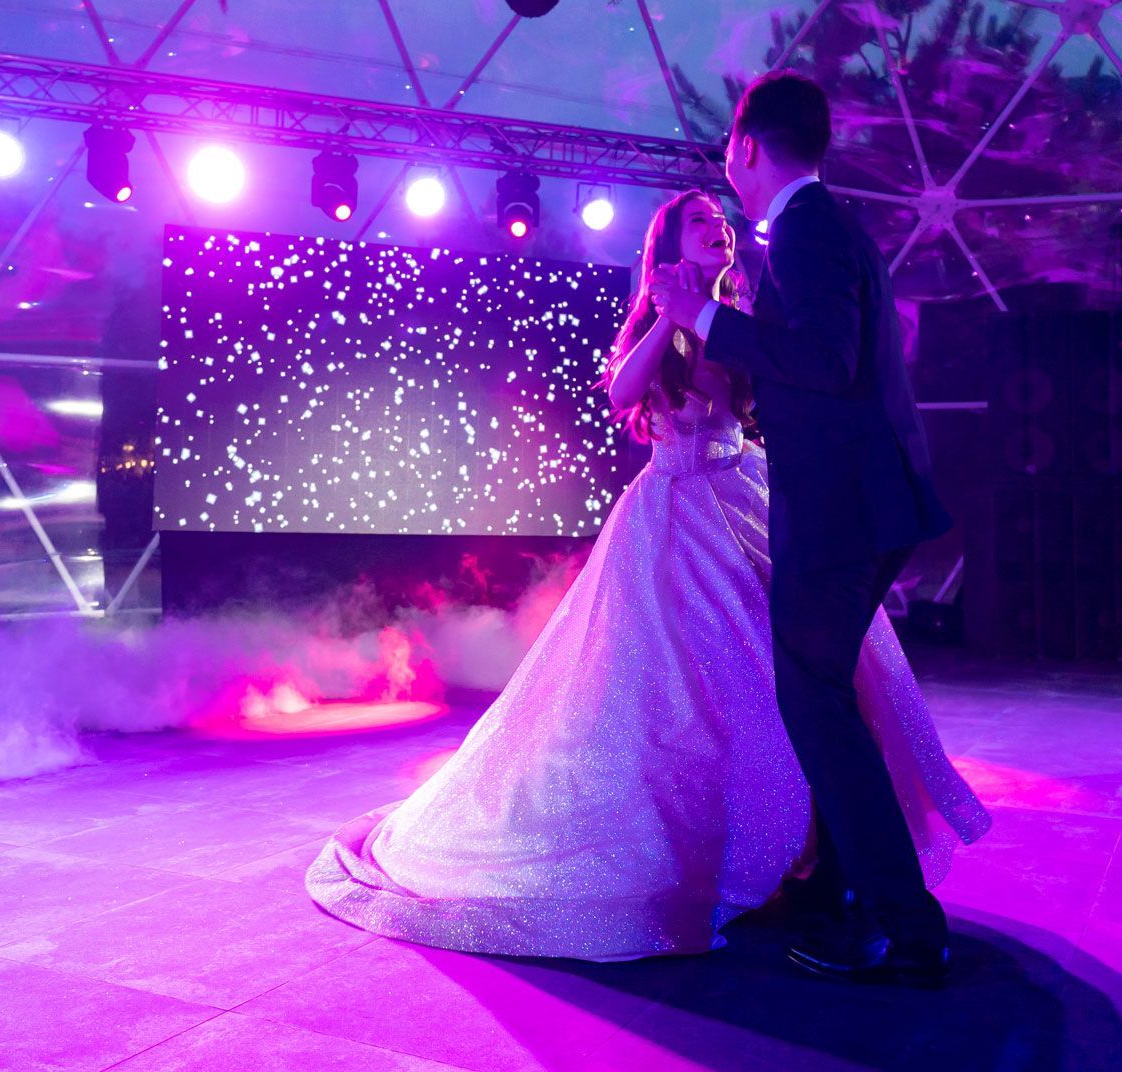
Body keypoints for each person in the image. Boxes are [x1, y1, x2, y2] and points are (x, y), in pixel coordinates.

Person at [304, 185, 986, 965]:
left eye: (722, 220)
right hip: (673, 517)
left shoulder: (747, 318)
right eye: (701, 222)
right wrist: (673, 311)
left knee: (781, 683)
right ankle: (696, 859)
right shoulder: (664, 325)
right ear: (668, 245)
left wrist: (719, 320)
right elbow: (624, 393)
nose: (719, 228)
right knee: (672, 690)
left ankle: (796, 859)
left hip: (752, 499)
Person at [648, 72, 959, 986]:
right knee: (819, 699)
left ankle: (898, 923)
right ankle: (856, 902)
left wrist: (700, 317)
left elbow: (826, 360)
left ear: (745, 146)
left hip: (843, 507)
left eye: (728, 156)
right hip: (858, 501)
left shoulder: (808, 229)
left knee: (815, 703)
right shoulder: (814, 227)